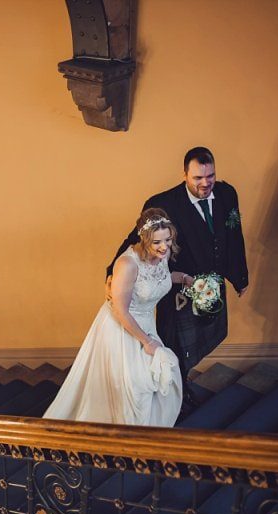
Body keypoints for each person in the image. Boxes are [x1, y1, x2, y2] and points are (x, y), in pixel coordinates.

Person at [107, 147, 249, 398]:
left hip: (211, 284)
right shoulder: (164, 203)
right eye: (198, 178)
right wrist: (111, 271)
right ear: (184, 175)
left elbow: (234, 234)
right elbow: (134, 239)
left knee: (205, 336)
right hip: (176, 287)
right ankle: (176, 392)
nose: (206, 183)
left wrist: (239, 276)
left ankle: (180, 385)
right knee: (175, 341)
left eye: (210, 176)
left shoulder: (227, 194)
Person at [43, 209, 192, 426]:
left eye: (168, 240)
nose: (164, 246)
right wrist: (147, 341)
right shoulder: (127, 264)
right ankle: (125, 437)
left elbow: (158, 280)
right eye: (157, 242)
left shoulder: (163, 254)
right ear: (144, 238)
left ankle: (149, 433)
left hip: (146, 323)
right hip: (121, 327)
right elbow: (120, 310)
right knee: (134, 387)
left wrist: (186, 278)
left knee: (153, 380)